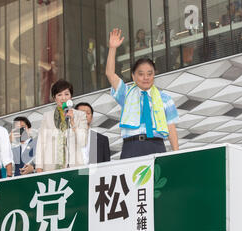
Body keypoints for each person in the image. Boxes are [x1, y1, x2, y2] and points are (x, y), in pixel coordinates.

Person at [105, 28, 179, 159]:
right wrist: (112, 48)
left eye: (149, 74)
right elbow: (110, 74)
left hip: (157, 146)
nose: (146, 77)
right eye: (141, 74)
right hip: (132, 147)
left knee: (158, 180)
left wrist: (176, 155)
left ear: (154, 75)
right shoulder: (126, 94)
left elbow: (171, 129)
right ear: (133, 76)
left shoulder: (165, 99)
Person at [35, 79, 88, 172]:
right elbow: (41, 143)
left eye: (66, 94)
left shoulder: (80, 115)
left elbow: (83, 141)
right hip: (51, 167)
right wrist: (39, 168)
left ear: (71, 96)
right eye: (59, 95)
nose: (63, 98)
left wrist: (72, 122)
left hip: (75, 167)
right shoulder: (47, 116)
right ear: (54, 98)